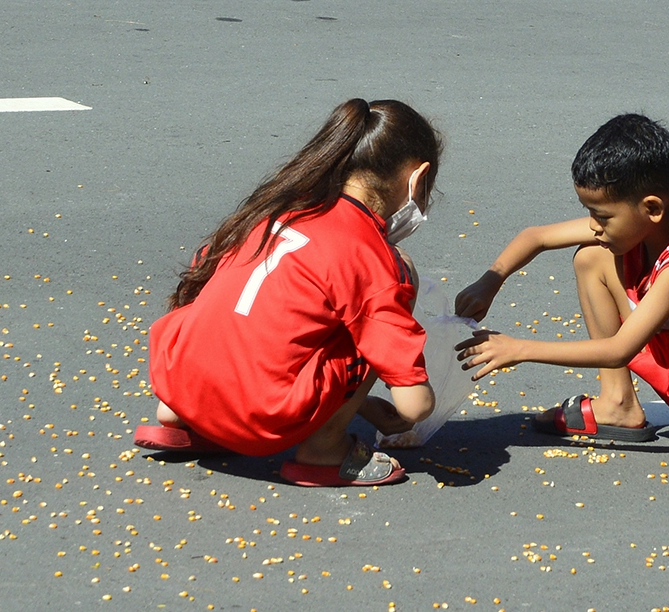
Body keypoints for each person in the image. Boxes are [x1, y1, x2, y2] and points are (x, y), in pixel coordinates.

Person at [134, 98, 442, 487]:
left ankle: (184, 417)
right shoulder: (368, 253)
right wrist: (405, 408)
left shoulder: (280, 207)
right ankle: (325, 451)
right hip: (263, 414)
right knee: (398, 280)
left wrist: (363, 407)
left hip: (179, 382)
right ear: (418, 178)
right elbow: (415, 404)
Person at [454, 114, 669, 481]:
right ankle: (617, 402)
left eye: (601, 216)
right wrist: (491, 280)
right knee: (592, 255)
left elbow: (621, 348)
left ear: (652, 208)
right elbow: (537, 236)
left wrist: (517, 349)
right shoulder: (642, 227)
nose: (593, 225)